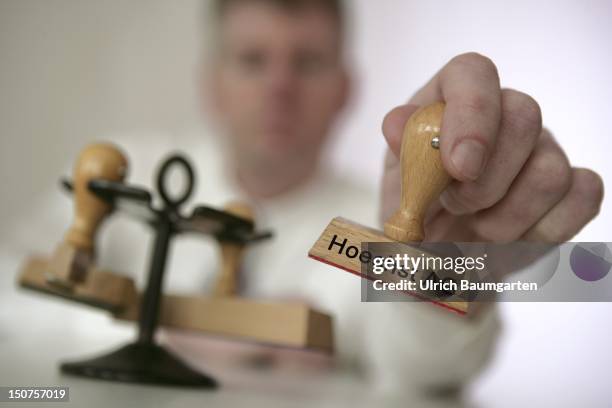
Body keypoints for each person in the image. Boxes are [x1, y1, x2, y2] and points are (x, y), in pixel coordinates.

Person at [11, 0, 604, 396]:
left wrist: (443, 279)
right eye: (252, 60)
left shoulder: (381, 228)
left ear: (346, 89)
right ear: (211, 84)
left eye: (308, 62)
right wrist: (165, 331)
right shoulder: (118, 168)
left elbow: (425, 378)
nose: (279, 89)